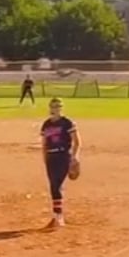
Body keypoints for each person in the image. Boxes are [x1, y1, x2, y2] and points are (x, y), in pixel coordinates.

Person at [39, 98, 79, 229]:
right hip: (51, 157)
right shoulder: (46, 124)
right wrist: (45, 159)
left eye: (57, 106)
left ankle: (58, 217)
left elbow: (77, 142)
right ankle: (57, 216)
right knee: (53, 186)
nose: (55, 109)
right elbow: (44, 144)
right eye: (53, 106)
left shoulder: (67, 123)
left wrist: (74, 157)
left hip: (63, 156)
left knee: (56, 185)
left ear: (61, 108)